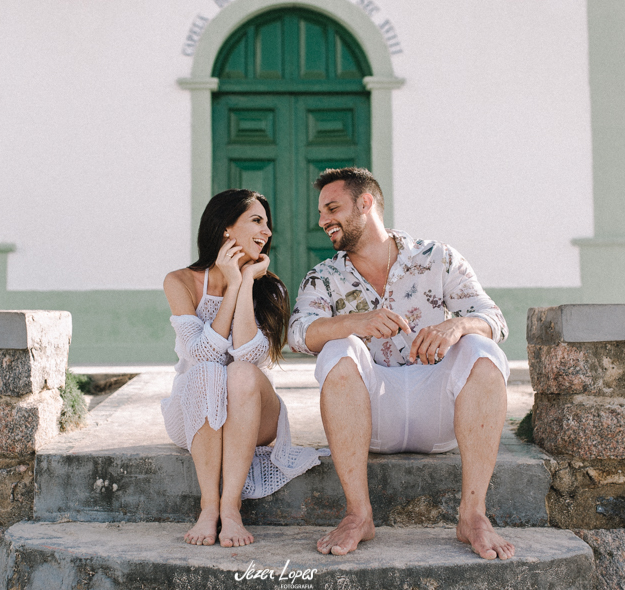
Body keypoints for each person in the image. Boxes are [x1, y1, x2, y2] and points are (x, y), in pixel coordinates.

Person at [288, 167, 515, 560]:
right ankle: (359, 514)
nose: (322, 220)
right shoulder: (323, 277)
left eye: (332, 208)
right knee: (336, 350)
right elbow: (297, 334)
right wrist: (353, 323)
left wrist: (455, 326)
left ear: (365, 203)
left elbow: (494, 319)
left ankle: (472, 516)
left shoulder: (436, 257)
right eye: (322, 212)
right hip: (372, 415)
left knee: (482, 349)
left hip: (439, 411)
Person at [163, 189, 328, 548]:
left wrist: (246, 283)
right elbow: (202, 354)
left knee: (238, 372)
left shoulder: (270, 289)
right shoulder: (180, 281)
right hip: (194, 410)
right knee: (208, 373)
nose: (267, 232)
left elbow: (248, 357)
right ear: (225, 228)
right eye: (256, 221)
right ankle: (209, 508)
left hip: (251, 409)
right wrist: (232, 283)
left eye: (268, 225)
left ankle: (231, 507)